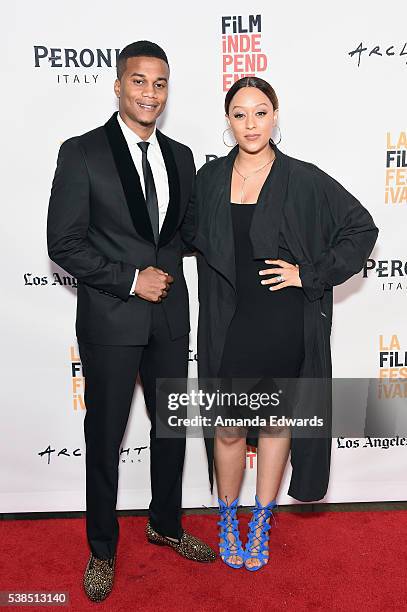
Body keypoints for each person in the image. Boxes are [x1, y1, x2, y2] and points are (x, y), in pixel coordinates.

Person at [47, 40, 215, 603]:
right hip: (112, 318)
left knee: (169, 430)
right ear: (118, 85)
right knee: (105, 435)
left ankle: (166, 523)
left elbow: (188, 234)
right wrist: (128, 277)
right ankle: (102, 549)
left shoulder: (181, 156)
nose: (151, 92)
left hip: (170, 317)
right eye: (139, 81)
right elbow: (63, 242)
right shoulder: (83, 153)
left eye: (160, 83)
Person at [191, 76, 379, 571]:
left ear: (276, 117)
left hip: (283, 324)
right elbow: (181, 236)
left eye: (260, 112)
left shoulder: (304, 178)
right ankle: (227, 518)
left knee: (275, 426)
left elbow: (362, 228)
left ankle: (262, 518)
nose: (250, 124)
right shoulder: (208, 180)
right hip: (228, 324)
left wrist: (310, 273)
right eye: (239, 114)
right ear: (227, 121)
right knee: (229, 430)